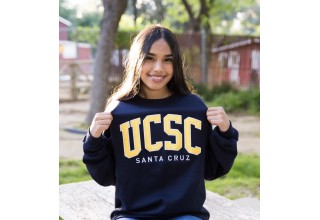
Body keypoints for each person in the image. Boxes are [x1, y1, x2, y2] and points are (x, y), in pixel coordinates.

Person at [82, 24, 239, 220]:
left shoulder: (194, 108)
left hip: (186, 214)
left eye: (168, 60)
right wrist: (93, 139)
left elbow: (212, 169)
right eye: (149, 58)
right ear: (136, 60)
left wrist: (225, 133)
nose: (158, 68)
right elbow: (106, 176)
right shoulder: (119, 111)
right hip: (133, 215)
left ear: (177, 64)